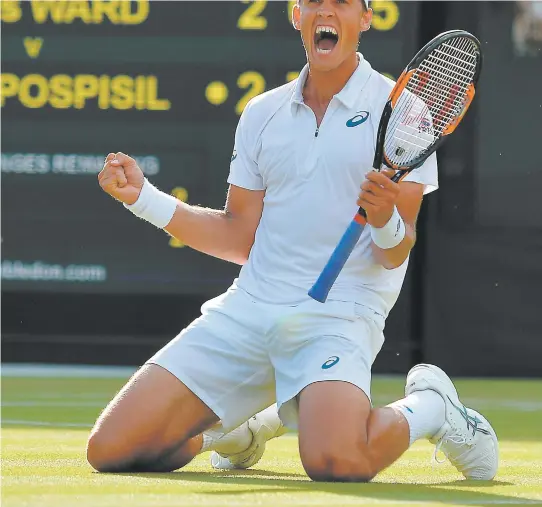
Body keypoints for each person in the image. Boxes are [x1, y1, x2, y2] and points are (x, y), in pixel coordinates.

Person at [87, 0, 499, 481]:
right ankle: (236, 431)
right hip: (251, 308)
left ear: (365, 18)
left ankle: (432, 407)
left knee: (336, 460)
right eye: (314, 1)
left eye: (342, 2)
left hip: (337, 315)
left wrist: (385, 216)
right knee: (112, 449)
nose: (327, 10)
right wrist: (144, 199)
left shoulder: (406, 112)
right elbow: (239, 238)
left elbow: (395, 250)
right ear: (296, 14)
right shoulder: (262, 113)